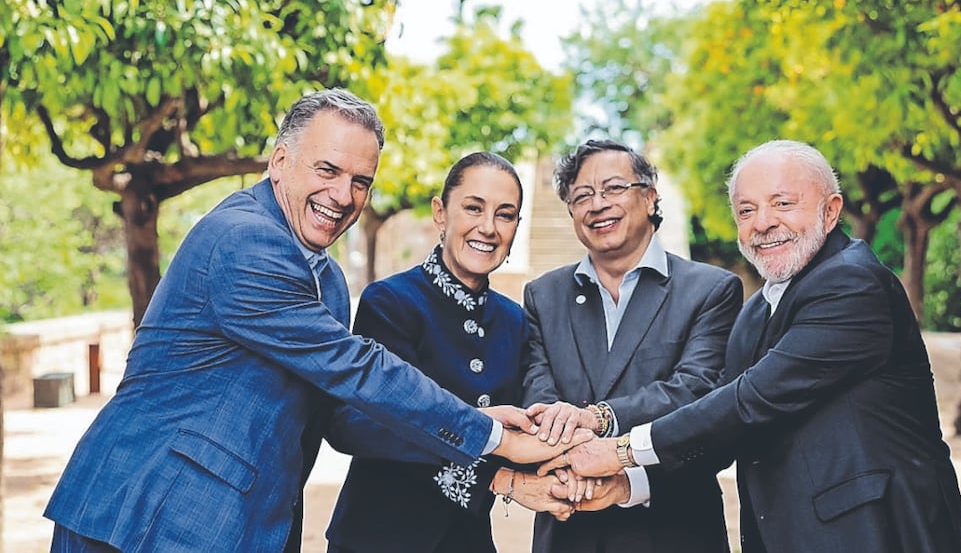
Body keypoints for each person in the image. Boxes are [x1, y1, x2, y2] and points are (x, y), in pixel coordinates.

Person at [44, 88, 584, 553]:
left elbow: (340, 416)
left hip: (243, 524)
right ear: (279, 162)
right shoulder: (245, 239)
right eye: (327, 170)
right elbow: (358, 369)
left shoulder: (325, 277)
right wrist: (491, 435)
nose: (342, 195)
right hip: (150, 512)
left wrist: (509, 471)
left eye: (360, 181)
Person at [543, 140, 961, 552]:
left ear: (831, 210)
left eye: (783, 203)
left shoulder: (854, 283)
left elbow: (752, 400)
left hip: (878, 534)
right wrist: (628, 485)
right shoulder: (754, 313)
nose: (763, 222)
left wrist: (619, 450)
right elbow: (724, 432)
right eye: (747, 210)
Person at [323, 151, 572, 553]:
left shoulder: (514, 320)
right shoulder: (390, 302)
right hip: (378, 537)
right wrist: (479, 438)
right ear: (440, 213)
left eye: (505, 215)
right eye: (473, 208)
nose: (488, 228)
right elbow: (351, 424)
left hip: (468, 539)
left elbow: (522, 430)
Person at [520, 139, 744, 552]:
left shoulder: (710, 290)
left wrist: (598, 419)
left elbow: (695, 392)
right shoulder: (542, 295)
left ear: (650, 197)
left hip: (673, 527)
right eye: (582, 195)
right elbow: (538, 392)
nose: (597, 204)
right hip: (569, 527)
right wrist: (567, 456)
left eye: (613, 188)